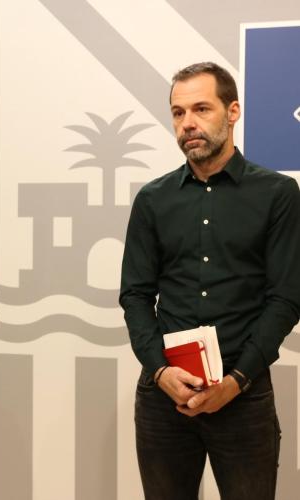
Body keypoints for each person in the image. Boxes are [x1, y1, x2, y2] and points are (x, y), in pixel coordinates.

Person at [120, 61, 300, 499]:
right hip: (164, 396)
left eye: (201, 109)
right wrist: (160, 370)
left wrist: (236, 380)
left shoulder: (277, 195)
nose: (188, 123)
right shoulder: (153, 199)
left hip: (243, 395)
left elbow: (286, 298)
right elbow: (136, 295)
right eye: (178, 113)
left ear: (233, 111)